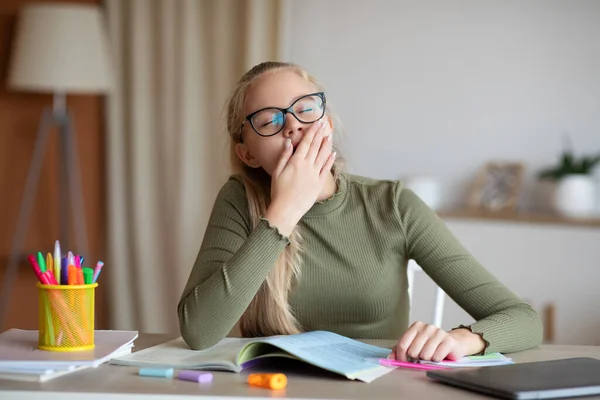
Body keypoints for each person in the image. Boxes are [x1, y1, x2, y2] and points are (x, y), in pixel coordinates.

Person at [177, 61, 543, 362]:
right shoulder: (238, 201)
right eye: (269, 120)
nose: (292, 125)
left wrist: (461, 340)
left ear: (327, 126)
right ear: (247, 154)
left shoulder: (393, 205)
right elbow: (199, 331)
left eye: (305, 109)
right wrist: (285, 210)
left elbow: (524, 320)